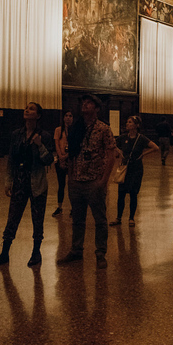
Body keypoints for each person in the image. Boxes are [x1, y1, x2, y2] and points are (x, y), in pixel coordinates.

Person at [0, 102, 55, 268]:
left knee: (37, 218)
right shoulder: (17, 134)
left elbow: (48, 160)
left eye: (32, 109)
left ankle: (36, 252)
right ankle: (5, 253)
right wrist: (8, 180)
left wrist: (40, 145)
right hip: (20, 180)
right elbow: (11, 159)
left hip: (37, 182)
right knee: (13, 216)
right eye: (26, 108)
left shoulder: (45, 135)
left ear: (38, 115)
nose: (27, 110)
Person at [57, 94, 116, 269]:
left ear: (97, 108)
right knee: (77, 219)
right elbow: (75, 151)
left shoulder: (103, 129)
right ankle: (76, 250)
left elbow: (111, 154)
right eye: (83, 103)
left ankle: (100, 253)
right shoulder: (76, 127)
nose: (85, 105)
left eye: (89, 103)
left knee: (100, 219)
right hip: (75, 180)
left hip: (94, 181)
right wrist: (65, 163)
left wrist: (104, 181)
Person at [110, 115, 159, 227]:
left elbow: (155, 147)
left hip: (136, 169)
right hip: (125, 169)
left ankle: (131, 218)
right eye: (127, 122)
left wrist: (143, 154)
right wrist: (119, 153)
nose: (127, 124)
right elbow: (112, 144)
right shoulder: (123, 137)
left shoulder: (141, 138)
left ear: (136, 125)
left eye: (130, 122)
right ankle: (118, 218)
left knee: (133, 194)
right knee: (121, 194)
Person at [52, 110, 74, 217]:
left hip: (71, 160)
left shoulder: (74, 130)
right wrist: (61, 157)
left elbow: (75, 146)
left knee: (71, 185)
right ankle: (59, 207)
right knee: (61, 185)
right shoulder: (58, 130)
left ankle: (73, 208)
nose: (68, 118)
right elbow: (56, 144)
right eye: (66, 115)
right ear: (64, 117)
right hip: (60, 160)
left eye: (70, 116)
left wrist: (66, 156)